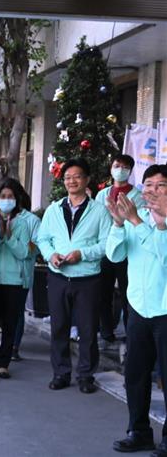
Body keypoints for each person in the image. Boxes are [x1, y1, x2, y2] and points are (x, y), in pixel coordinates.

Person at [37, 158, 111, 394]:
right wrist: (51, 255)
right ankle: (61, 373)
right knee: (59, 327)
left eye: (77, 176)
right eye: (68, 177)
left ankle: (86, 375)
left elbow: (107, 243)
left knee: (88, 329)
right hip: (59, 277)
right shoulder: (54, 209)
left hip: (88, 278)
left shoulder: (99, 211)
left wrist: (84, 254)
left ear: (87, 179)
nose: (71, 181)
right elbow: (43, 239)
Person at [107, 164, 167, 455]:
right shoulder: (136, 217)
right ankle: (138, 431)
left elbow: (163, 254)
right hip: (139, 310)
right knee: (136, 374)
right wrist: (119, 224)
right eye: (149, 184)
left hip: (165, 311)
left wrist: (139, 223)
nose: (153, 191)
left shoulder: (148, 221)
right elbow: (114, 253)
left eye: (161, 185)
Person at [0, 179, 33, 379]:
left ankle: (4, 363)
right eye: (3, 197)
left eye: (10, 197)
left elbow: (25, 252)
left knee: (9, 323)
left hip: (14, 280)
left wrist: (10, 237)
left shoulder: (24, 222)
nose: (6, 200)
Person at [95, 154, 144, 342]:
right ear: (111, 168)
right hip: (105, 250)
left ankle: (131, 332)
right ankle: (106, 331)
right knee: (103, 293)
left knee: (127, 292)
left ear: (130, 171)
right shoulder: (102, 195)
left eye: (125, 167)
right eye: (117, 165)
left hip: (128, 251)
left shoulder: (137, 196)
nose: (120, 170)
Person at [11, 181, 41, 361]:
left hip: (21, 273)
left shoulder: (31, 220)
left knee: (16, 311)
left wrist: (19, 246)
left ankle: (14, 347)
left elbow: (35, 246)